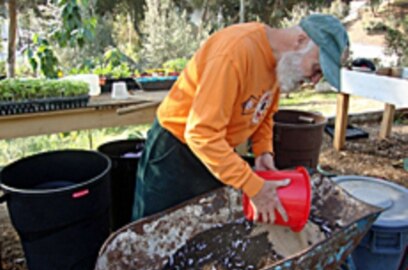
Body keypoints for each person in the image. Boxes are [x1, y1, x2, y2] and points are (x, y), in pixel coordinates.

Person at [132, 14, 349, 223]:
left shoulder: (278, 60)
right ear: (301, 40)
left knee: (198, 228)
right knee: (154, 233)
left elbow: (265, 111)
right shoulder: (235, 53)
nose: (313, 80)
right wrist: (252, 185)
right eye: (316, 69)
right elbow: (201, 133)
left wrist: (263, 152)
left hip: (216, 152)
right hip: (174, 151)